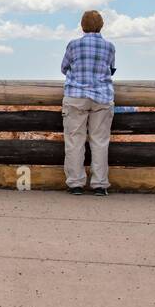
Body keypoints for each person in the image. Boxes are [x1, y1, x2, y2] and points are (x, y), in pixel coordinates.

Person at [60, 10, 116, 196]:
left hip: (76, 96)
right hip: (102, 97)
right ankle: (100, 185)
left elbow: (64, 68)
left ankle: (75, 184)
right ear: (101, 25)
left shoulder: (73, 45)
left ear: (82, 26)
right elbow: (111, 69)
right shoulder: (109, 47)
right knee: (100, 141)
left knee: (75, 140)